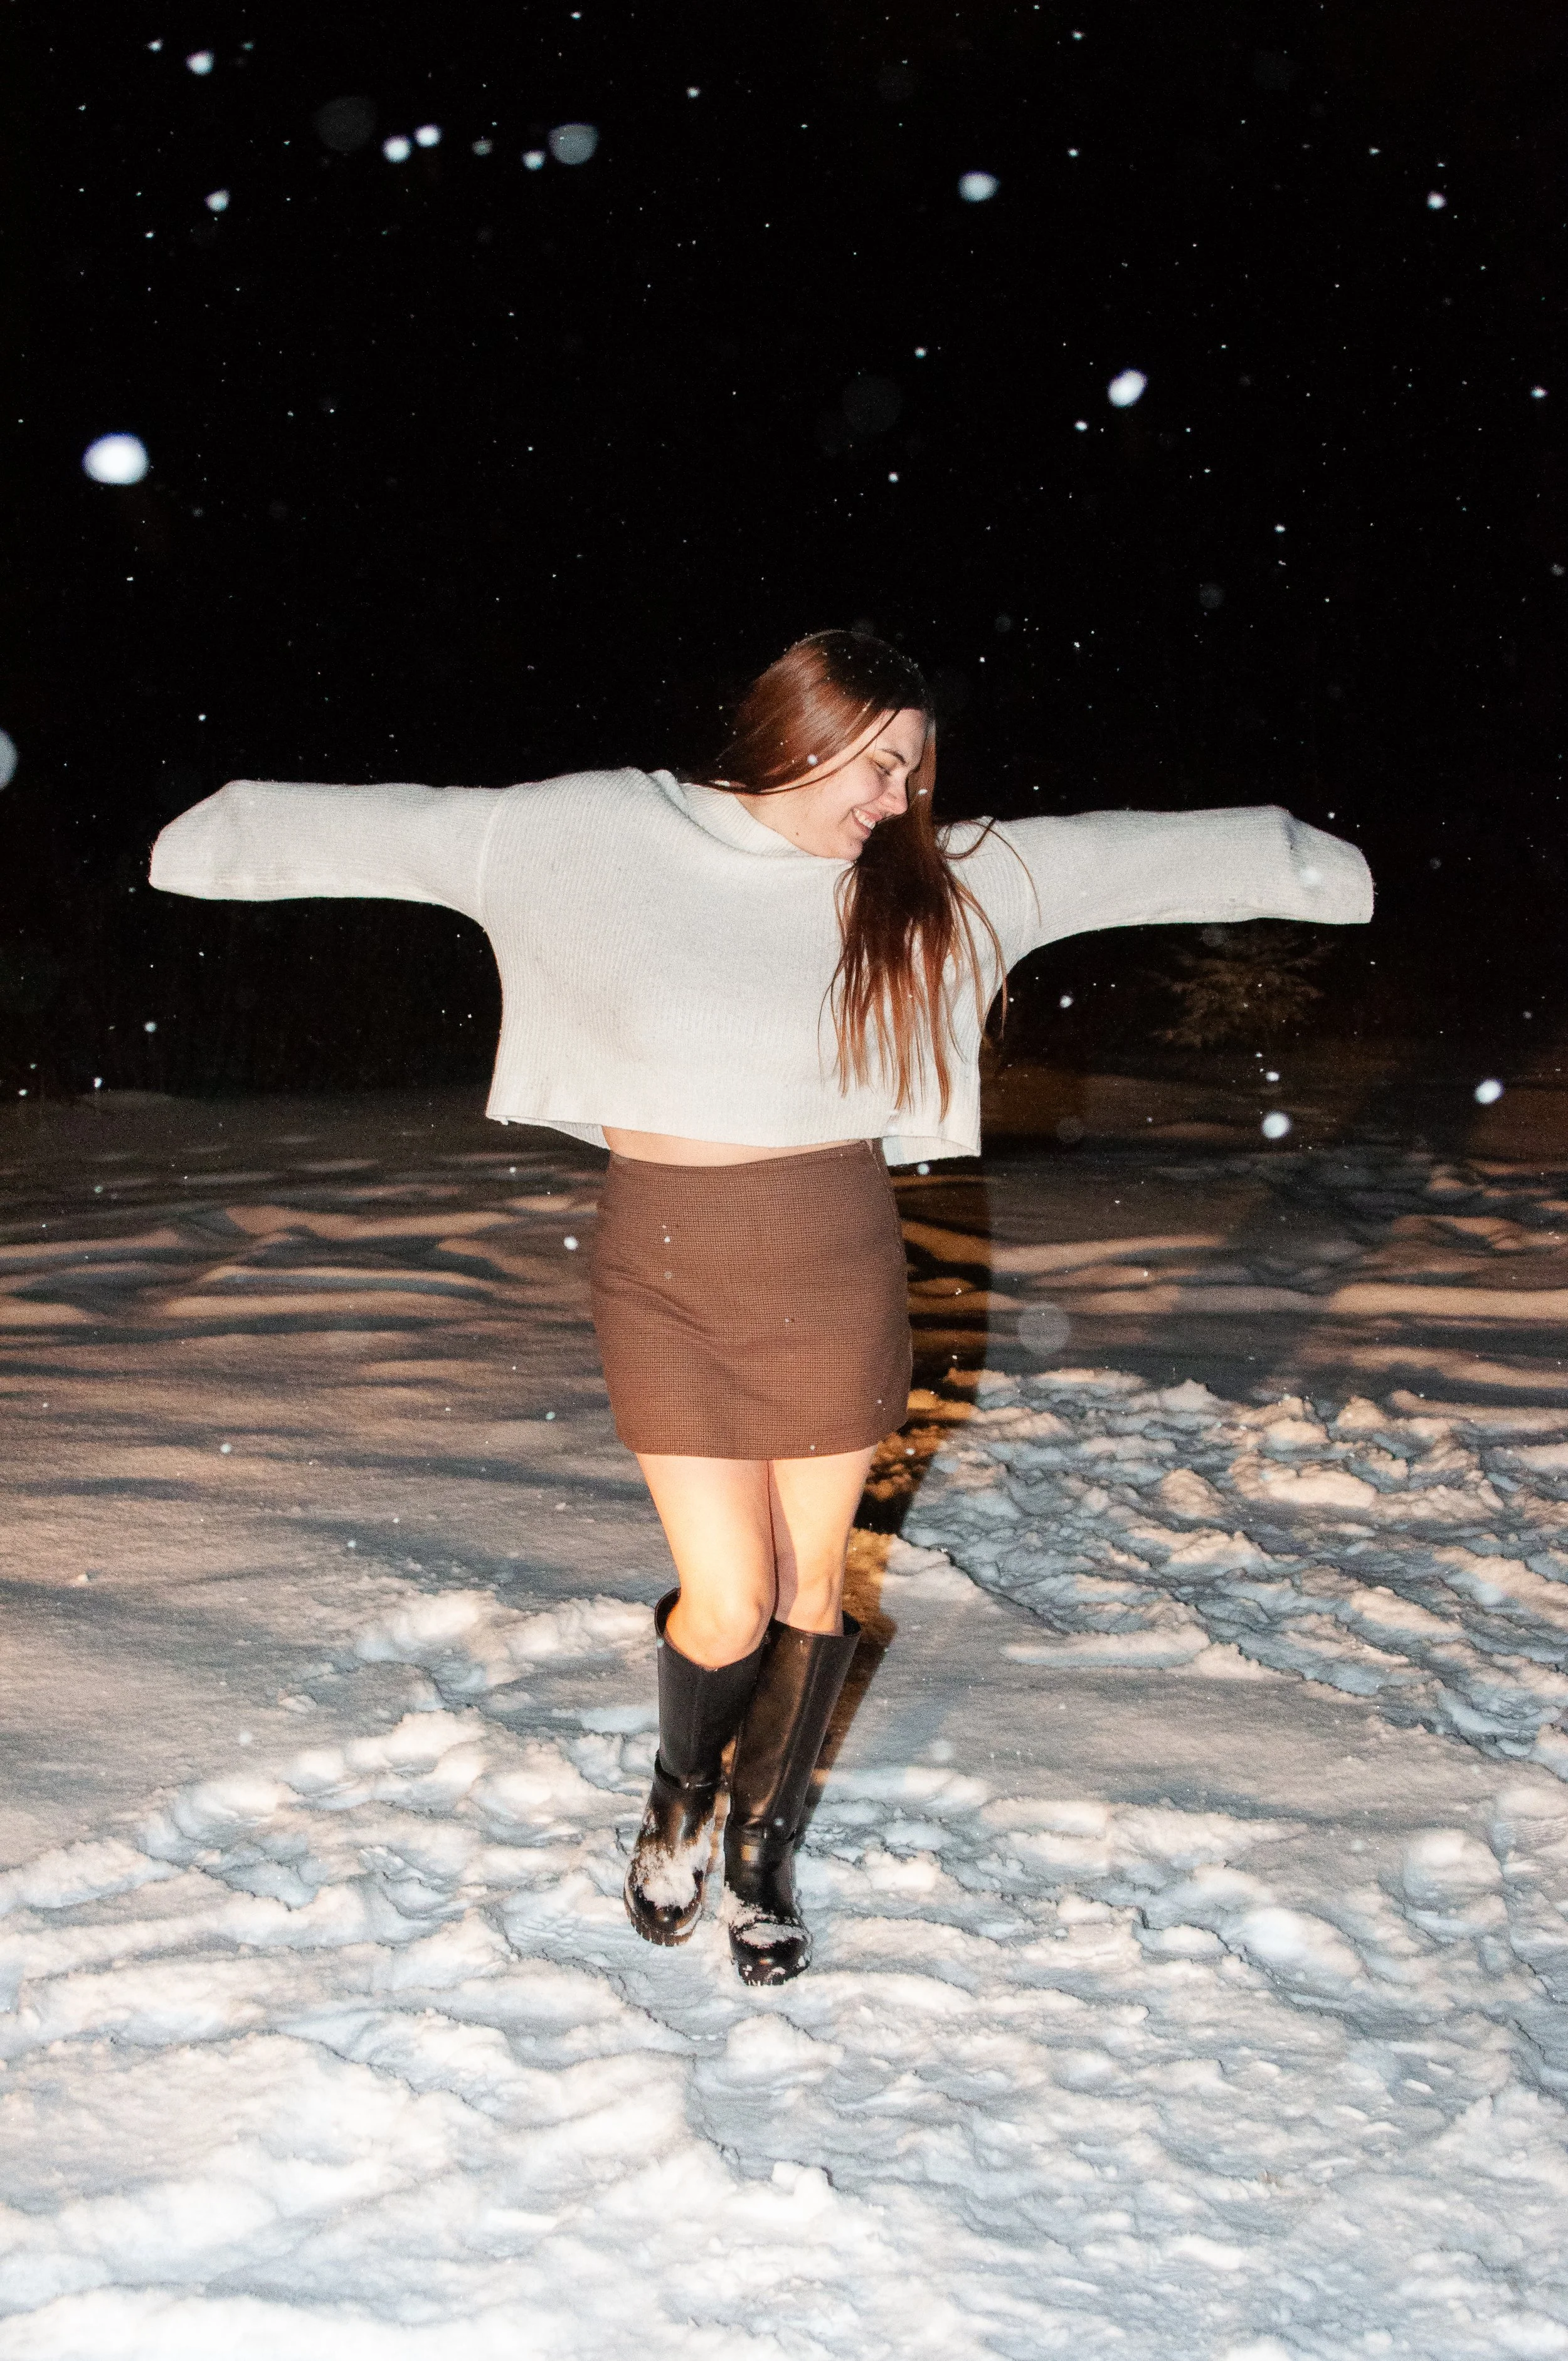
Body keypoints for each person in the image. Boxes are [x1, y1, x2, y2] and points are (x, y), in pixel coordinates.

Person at [148, 627, 1374, 1987]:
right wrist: (221, 839)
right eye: (874, 762)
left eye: (914, 769)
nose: (894, 796)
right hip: (662, 1263)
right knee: (722, 1602)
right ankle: (678, 1796)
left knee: (809, 1581)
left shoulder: (925, 886)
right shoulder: (604, 829)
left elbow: (1119, 858)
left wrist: (1299, 861)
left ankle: (759, 1849)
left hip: (831, 1254)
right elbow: (414, 836)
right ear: (794, 730)